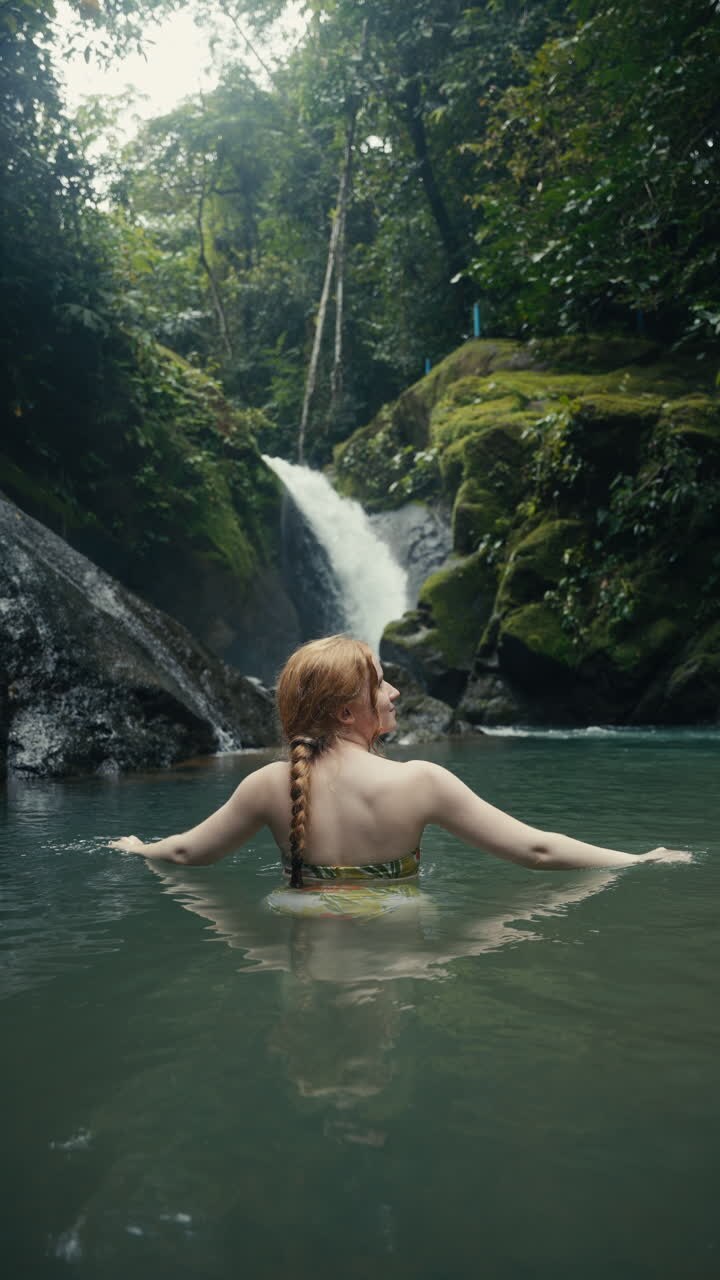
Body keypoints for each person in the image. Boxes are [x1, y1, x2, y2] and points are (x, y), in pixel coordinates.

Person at [109, 634, 690, 878]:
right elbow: (536, 850)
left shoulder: (269, 782)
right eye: (380, 684)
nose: (393, 693)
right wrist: (636, 860)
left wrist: (138, 848)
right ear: (345, 711)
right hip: (397, 936)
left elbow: (185, 853)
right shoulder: (420, 781)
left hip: (300, 935)